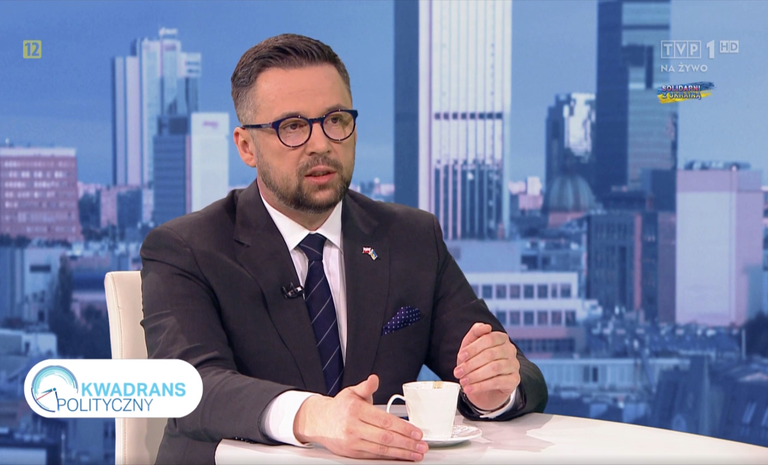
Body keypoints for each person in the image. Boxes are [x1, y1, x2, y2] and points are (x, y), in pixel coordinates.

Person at [140, 33, 547, 465]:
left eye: (335, 120)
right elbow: (187, 388)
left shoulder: (410, 239)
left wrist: (494, 390)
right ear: (246, 146)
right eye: (292, 126)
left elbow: (519, 375)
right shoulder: (186, 249)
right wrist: (313, 415)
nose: (320, 144)